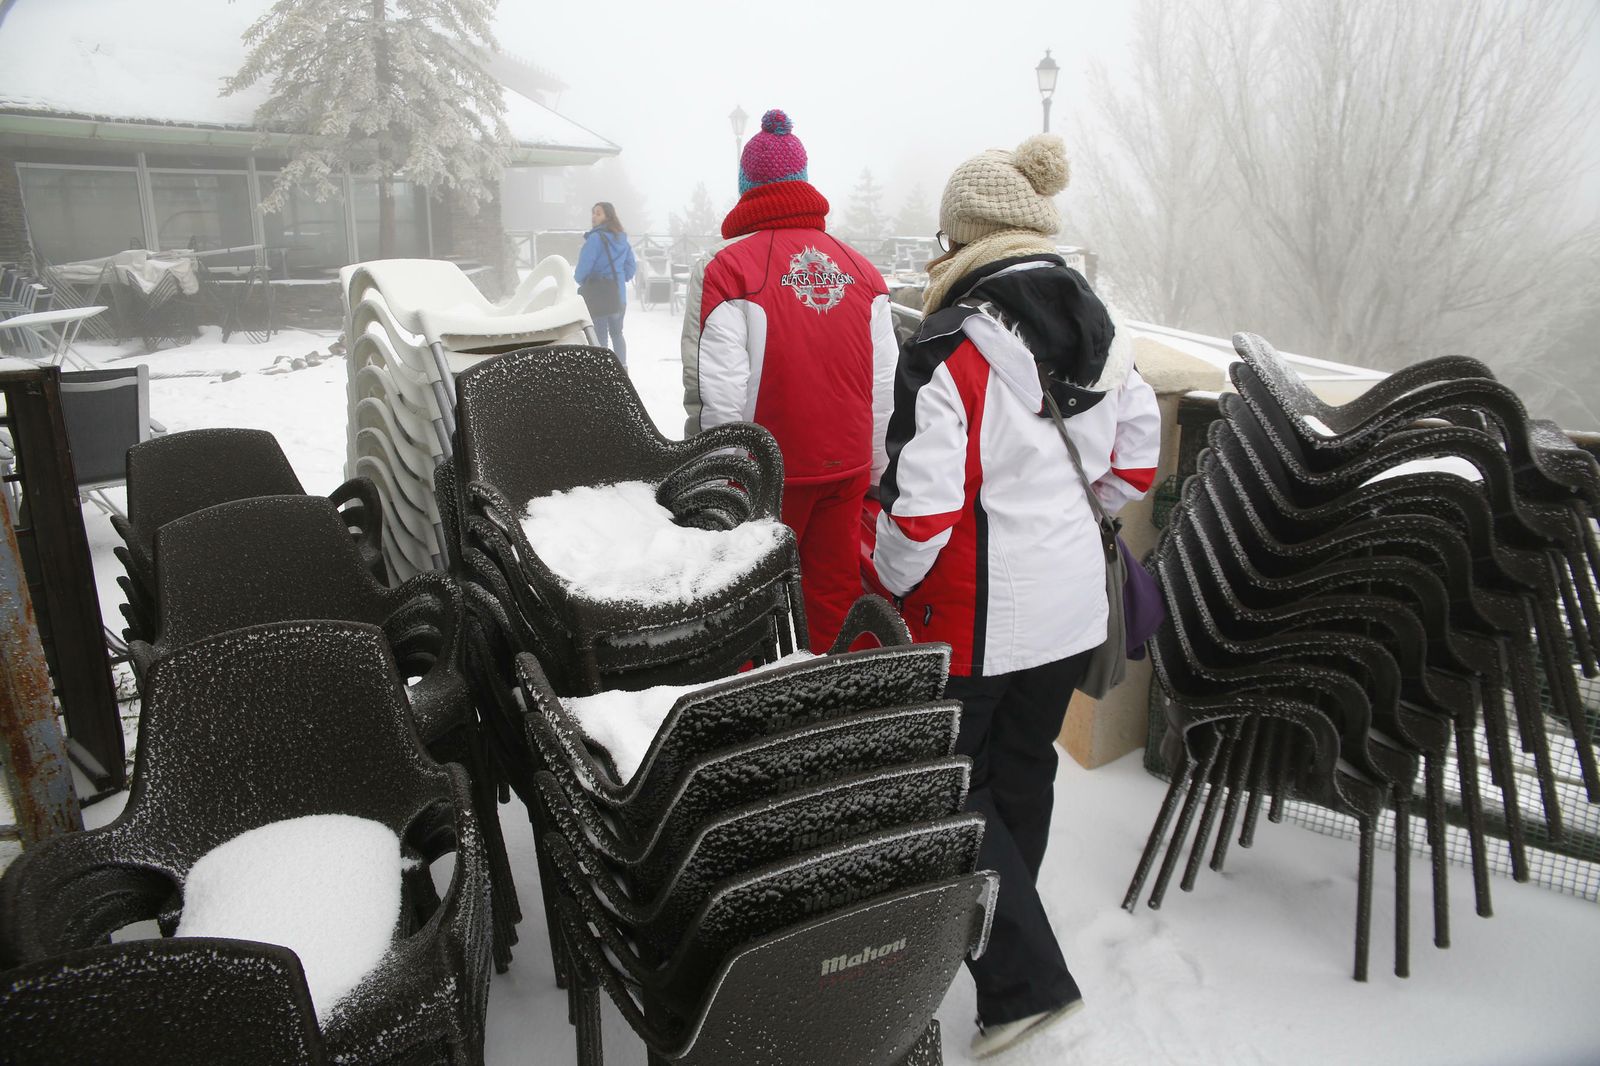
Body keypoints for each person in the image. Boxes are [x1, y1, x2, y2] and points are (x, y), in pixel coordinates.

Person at [871, 134, 1160, 1060]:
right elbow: (1136, 464)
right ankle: (1006, 920)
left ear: (960, 237)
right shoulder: (1107, 333)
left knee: (952, 790)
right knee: (1023, 768)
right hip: (1071, 609)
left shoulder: (950, 343)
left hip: (974, 618)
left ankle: (1022, 979)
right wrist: (1069, 526)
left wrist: (885, 577)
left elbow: (919, 517)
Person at [681, 108, 897, 652]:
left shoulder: (728, 269)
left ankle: (761, 709)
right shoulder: (862, 270)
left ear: (746, 188)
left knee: (749, 601)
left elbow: (719, 389)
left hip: (767, 472)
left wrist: (719, 480)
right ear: (803, 183)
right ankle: (838, 705)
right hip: (844, 465)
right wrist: (873, 466)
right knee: (834, 593)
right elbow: (882, 382)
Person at [576, 201, 638, 365]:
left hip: (598, 295)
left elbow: (582, 269)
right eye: (593, 213)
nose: (593, 217)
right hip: (618, 296)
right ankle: (622, 369)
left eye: (598, 213)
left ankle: (603, 373)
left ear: (607, 216)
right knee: (617, 334)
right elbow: (631, 267)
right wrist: (618, 278)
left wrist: (585, 281)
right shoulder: (622, 239)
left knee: (600, 336)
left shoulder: (595, 239)